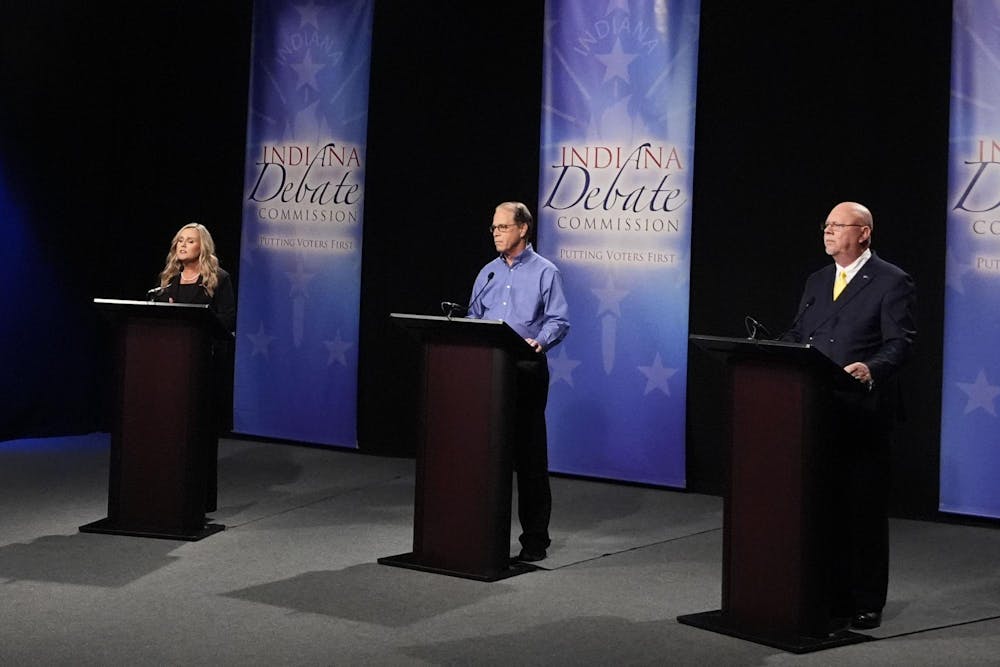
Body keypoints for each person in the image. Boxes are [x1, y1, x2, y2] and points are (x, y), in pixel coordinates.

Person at [783, 201, 917, 630]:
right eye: (826, 225)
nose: (827, 231)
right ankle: (829, 592)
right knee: (824, 506)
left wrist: (871, 368)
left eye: (838, 225)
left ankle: (866, 599)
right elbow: (799, 334)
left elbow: (900, 342)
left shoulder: (892, 281)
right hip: (818, 411)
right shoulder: (818, 280)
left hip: (863, 412)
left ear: (864, 233)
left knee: (862, 509)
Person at [466, 201, 570, 562]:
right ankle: (480, 534)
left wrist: (539, 340)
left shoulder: (546, 272)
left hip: (525, 370)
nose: (495, 232)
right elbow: (473, 317)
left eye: (502, 227)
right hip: (489, 372)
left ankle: (535, 541)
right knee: (486, 456)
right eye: (493, 227)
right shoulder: (487, 274)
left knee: (528, 459)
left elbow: (559, 320)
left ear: (523, 228)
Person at [154, 222, 237, 513]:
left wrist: (197, 318)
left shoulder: (218, 279)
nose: (182, 245)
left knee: (198, 433)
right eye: (179, 240)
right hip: (169, 369)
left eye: (189, 241)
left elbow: (227, 321)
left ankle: (199, 498)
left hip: (203, 366)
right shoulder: (167, 281)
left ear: (202, 247)